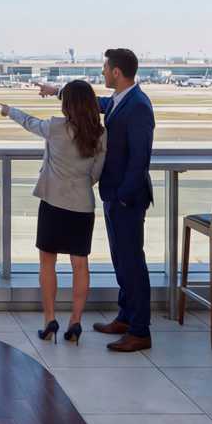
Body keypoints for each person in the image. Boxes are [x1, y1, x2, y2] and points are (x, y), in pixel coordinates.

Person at [40, 47, 155, 353]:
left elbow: (140, 159)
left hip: (126, 198)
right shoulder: (121, 100)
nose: (103, 73)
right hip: (114, 195)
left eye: (105, 68)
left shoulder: (139, 106)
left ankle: (140, 330)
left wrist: (123, 197)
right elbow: (94, 103)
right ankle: (126, 317)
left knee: (132, 263)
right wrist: (59, 91)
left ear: (117, 72)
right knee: (121, 259)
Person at [0, 79, 105, 345]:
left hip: (53, 203)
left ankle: (50, 320)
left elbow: (29, 122)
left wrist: (9, 110)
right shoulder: (100, 133)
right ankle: (76, 322)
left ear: (66, 104)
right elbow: (96, 173)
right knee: (80, 265)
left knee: (48, 263)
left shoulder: (56, 127)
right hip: (82, 205)